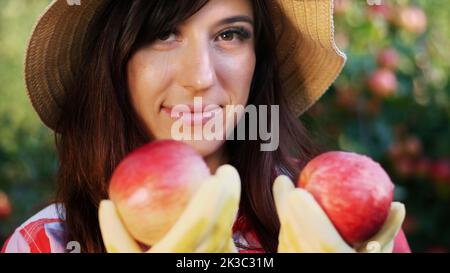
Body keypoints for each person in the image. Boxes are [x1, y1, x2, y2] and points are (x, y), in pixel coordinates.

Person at [1, 0, 411, 253]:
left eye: (230, 35)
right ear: (116, 61)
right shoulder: (44, 244)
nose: (199, 76)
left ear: (258, 59)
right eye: (164, 34)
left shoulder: (340, 231)